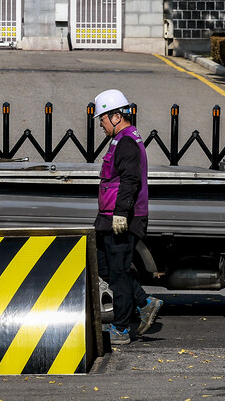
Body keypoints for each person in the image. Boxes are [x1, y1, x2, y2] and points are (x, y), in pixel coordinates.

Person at [92, 88, 162, 345]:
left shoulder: (127, 142)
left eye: (102, 118)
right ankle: (144, 303)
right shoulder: (120, 139)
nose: (100, 123)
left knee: (119, 273)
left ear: (116, 116)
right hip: (108, 217)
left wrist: (121, 214)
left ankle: (121, 329)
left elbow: (131, 180)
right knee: (104, 265)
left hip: (120, 219)